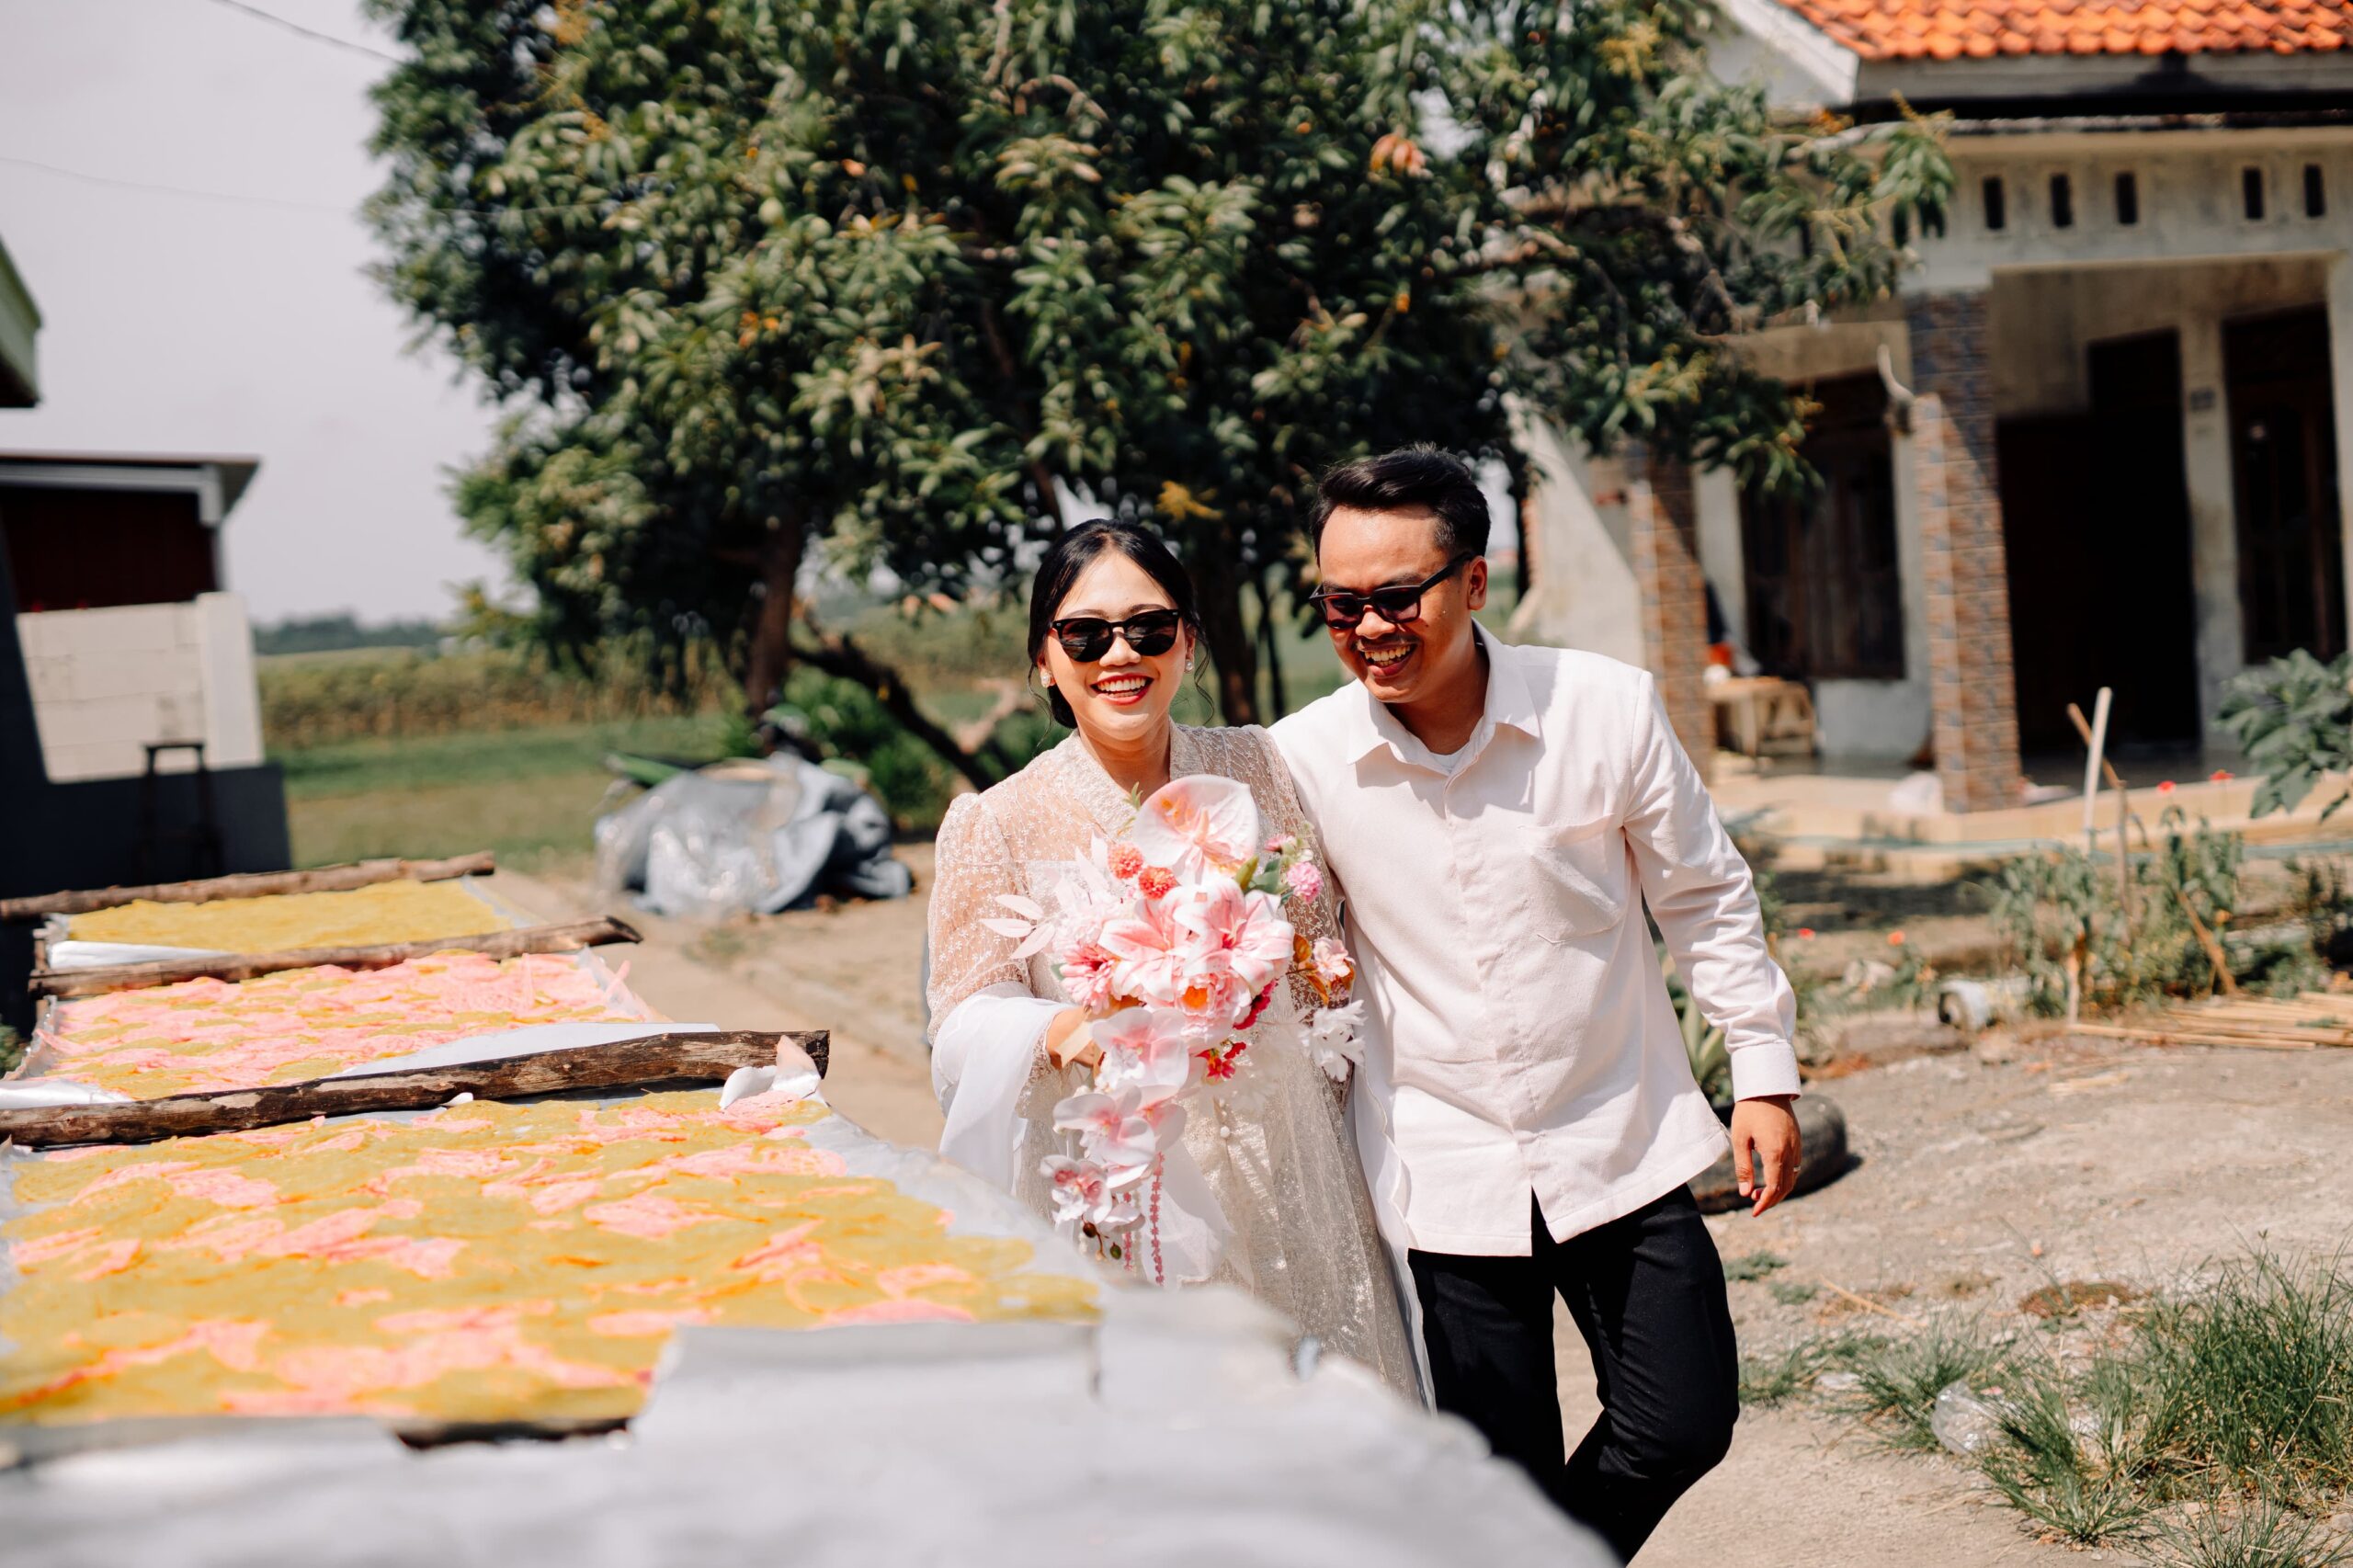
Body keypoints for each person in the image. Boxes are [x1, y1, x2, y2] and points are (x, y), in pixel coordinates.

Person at [1269, 449, 1802, 1562]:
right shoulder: (1301, 762)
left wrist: (1761, 1069)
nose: (1370, 628)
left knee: (1683, 1418)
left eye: (1396, 596)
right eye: (1340, 604)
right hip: (1441, 1168)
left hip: (1619, 1133)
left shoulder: (1603, 708)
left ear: (1474, 581)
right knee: (1497, 1476)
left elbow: (1703, 895)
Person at [924, 518, 1418, 1397]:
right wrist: (1068, 1032)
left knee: (1317, 1420)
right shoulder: (996, 821)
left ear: (1187, 643)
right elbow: (962, 1021)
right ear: (1044, 660)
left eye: (1149, 628)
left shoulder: (1255, 766)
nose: (1121, 653)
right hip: (1120, 1185)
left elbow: (1319, 964)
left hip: (1289, 1174)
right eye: (1086, 634)